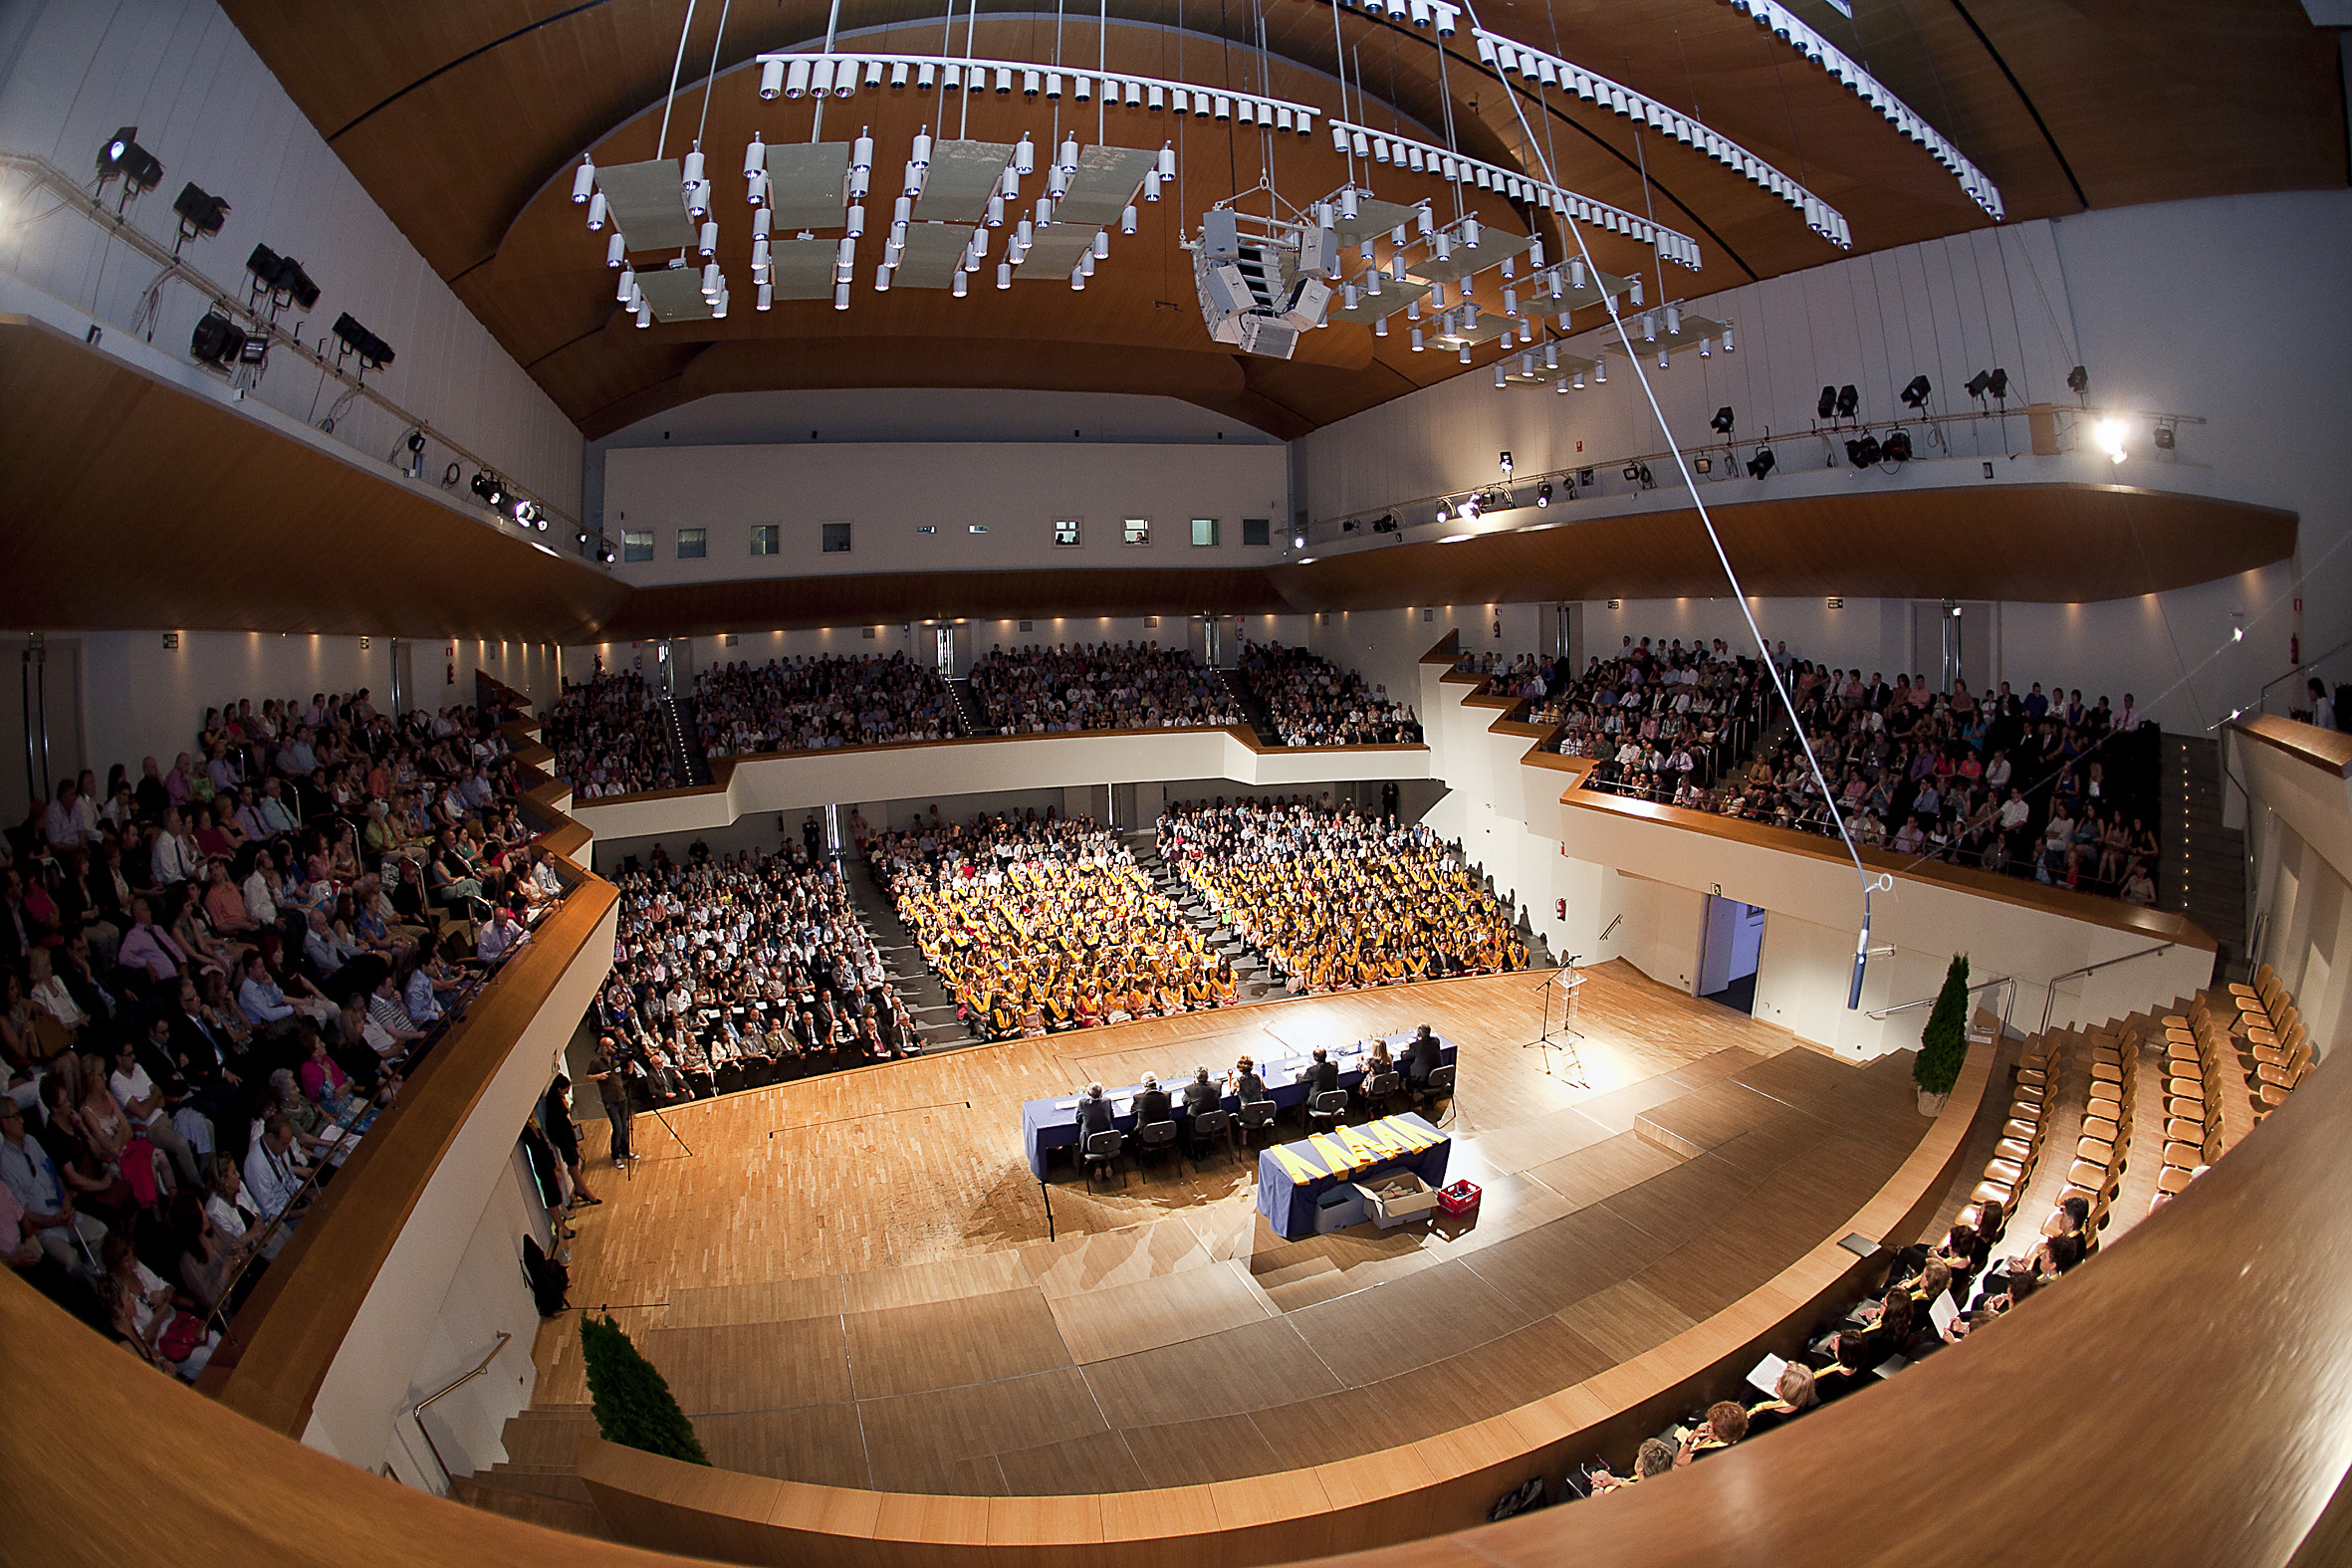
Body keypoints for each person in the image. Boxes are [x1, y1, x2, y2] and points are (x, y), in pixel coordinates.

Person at [0, 1099, 108, 1277]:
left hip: (64, 1212)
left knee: (100, 1231)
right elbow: (23, 1213)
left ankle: (99, 1277)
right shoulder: (3, 1162)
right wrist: (55, 1221)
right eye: (16, 1116)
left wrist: (66, 1199)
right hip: (45, 1228)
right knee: (70, 1260)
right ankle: (94, 1289)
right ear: (4, 1121)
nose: (22, 1120)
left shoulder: (32, 1141)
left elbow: (53, 1173)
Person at [588, 1038, 633, 1167]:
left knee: (625, 1127)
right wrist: (598, 1076)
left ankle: (625, 1151)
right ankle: (615, 1155)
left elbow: (628, 1073)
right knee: (617, 1128)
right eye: (611, 1046)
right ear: (604, 1048)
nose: (614, 1047)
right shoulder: (596, 1062)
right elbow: (587, 1077)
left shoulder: (616, 1059)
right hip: (610, 1100)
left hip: (622, 1097)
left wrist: (630, 1063)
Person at [1674, 1400, 1750, 1465]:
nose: (1706, 1424)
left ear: (1718, 1431)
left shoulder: (1705, 1454)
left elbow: (1679, 1460)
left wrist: (1691, 1438)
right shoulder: (1742, 1443)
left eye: (1709, 1425)